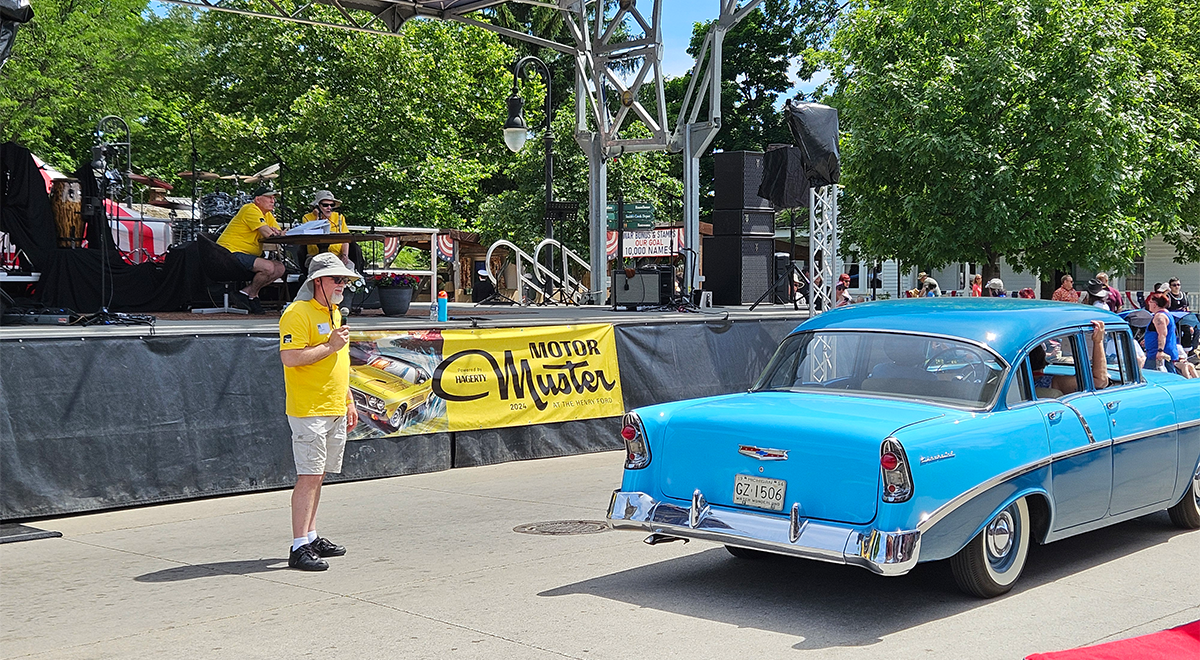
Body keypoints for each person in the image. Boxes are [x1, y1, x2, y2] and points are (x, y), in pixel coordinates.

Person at [279, 252, 362, 571]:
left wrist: (349, 399)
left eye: (345, 280)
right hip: (309, 407)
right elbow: (290, 357)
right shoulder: (297, 313)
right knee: (309, 476)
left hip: (333, 405)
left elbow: (339, 363)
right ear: (318, 281)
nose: (343, 285)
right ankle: (299, 544)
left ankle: (310, 536)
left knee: (319, 475)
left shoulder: (335, 313)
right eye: (337, 279)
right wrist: (330, 345)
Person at [216, 184, 287, 314]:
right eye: (269, 197)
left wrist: (275, 231)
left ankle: (246, 293)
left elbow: (280, 233)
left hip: (247, 255)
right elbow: (269, 234)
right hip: (229, 253)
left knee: (280, 268)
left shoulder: (268, 215)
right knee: (268, 267)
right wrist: (272, 231)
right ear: (257, 199)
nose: (273, 201)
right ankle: (253, 297)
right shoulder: (250, 209)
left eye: (273, 198)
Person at [1029, 320, 1110, 396]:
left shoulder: (1019, 385)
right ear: (1043, 358)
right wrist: (1098, 341)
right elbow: (1100, 382)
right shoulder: (1052, 382)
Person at [301, 190, 350, 267]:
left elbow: (346, 239)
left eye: (332, 205)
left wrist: (344, 255)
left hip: (337, 256)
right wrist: (318, 217)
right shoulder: (307, 218)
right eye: (325, 205)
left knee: (350, 267)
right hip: (315, 256)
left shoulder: (339, 217)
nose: (329, 207)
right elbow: (312, 234)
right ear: (317, 206)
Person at [1145, 291, 1190, 375]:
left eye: (1150, 302)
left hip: (1158, 354)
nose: (1148, 303)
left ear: (1155, 304)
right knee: (1170, 375)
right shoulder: (1166, 314)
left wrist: (1160, 351)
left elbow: (1162, 334)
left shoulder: (1160, 316)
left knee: (1149, 377)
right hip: (1164, 352)